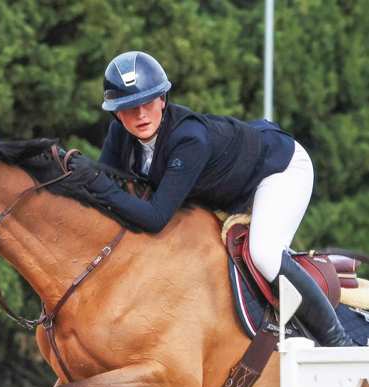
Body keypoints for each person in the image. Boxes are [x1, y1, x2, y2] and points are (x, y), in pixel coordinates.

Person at [76, 50, 352, 347]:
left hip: (279, 169)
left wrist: (94, 181)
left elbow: (153, 217)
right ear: (116, 112)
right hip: (231, 180)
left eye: (147, 102)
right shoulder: (121, 133)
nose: (140, 114)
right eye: (130, 107)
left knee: (264, 254)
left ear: (162, 99)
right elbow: (107, 185)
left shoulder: (189, 139)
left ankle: (339, 342)